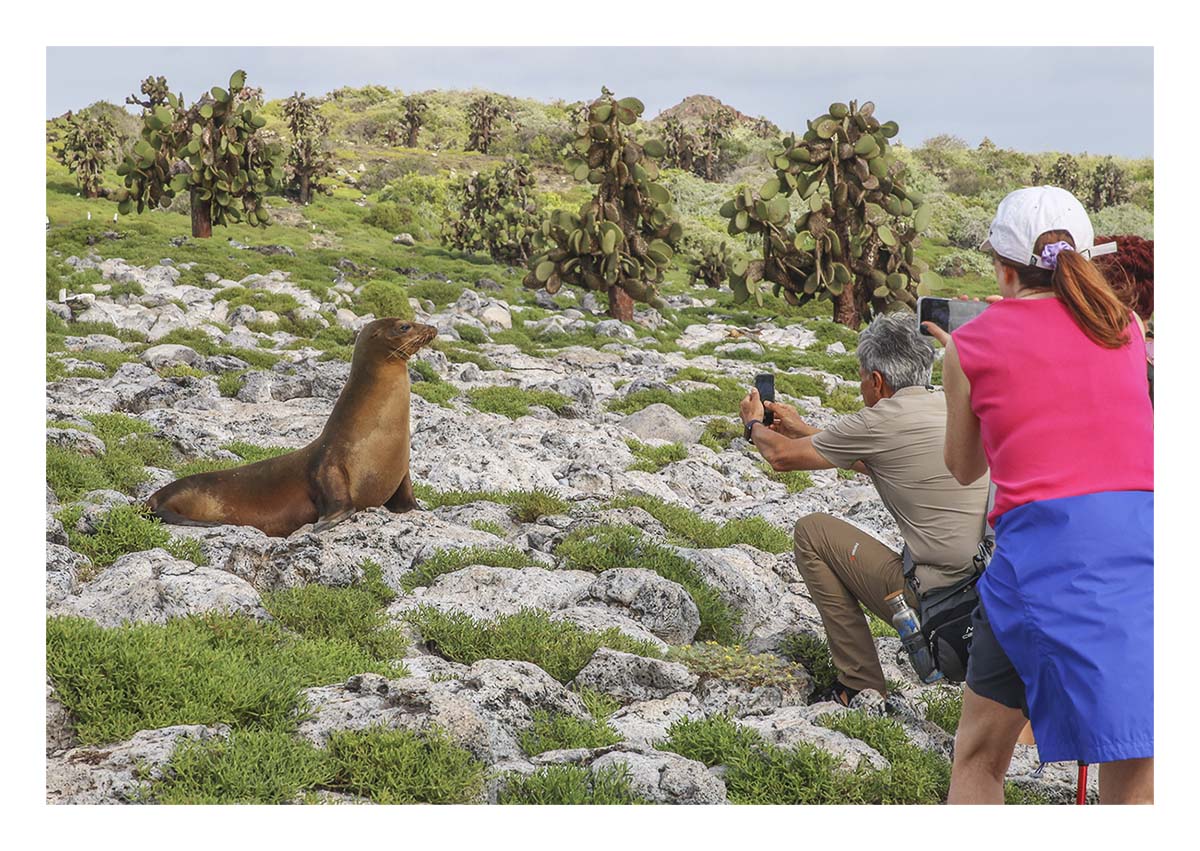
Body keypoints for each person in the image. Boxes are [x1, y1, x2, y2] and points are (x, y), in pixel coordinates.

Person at [925, 186, 1153, 805]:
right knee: (1136, 758)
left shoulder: (970, 347)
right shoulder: (1126, 329)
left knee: (978, 758)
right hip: (1143, 552)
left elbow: (965, 467)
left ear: (1002, 266)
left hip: (1044, 560)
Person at [738, 312, 991, 704]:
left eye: (861, 378)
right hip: (994, 590)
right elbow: (877, 458)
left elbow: (781, 458)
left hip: (942, 603)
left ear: (876, 380)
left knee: (812, 532)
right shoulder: (954, 405)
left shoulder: (878, 421)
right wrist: (804, 429)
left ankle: (858, 683)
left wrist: (754, 425)